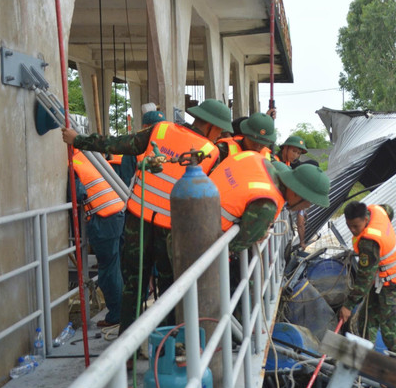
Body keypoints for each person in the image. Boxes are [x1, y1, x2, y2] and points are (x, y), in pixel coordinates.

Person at [62, 98, 232, 338]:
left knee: (133, 286)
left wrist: (77, 140)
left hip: (136, 223)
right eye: (220, 131)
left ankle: (127, 350)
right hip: (170, 231)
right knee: (169, 290)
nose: (219, 136)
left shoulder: (161, 130)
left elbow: (116, 144)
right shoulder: (210, 152)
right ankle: (166, 347)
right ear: (213, 126)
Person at [209, 150, 330, 252]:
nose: (307, 206)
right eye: (308, 202)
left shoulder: (257, 158)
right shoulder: (267, 205)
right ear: (296, 193)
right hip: (205, 232)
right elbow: (236, 246)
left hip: (196, 198)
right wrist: (259, 232)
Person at [338, 202, 396, 356]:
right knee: (366, 320)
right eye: (349, 225)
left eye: (356, 226)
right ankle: (366, 360)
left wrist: (348, 306)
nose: (352, 230)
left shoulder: (369, 243)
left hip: (394, 284)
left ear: (365, 219)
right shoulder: (376, 210)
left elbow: (364, 279)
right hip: (381, 282)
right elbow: (389, 210)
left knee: (389, 330)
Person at [70, 149, 125, 329]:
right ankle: (125, 310)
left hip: (103, 219)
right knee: (116, 266)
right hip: (118, 212)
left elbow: (77, 195)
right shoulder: (91, 158)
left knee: (108, 272)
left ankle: (117, 315)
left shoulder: (74, 165)